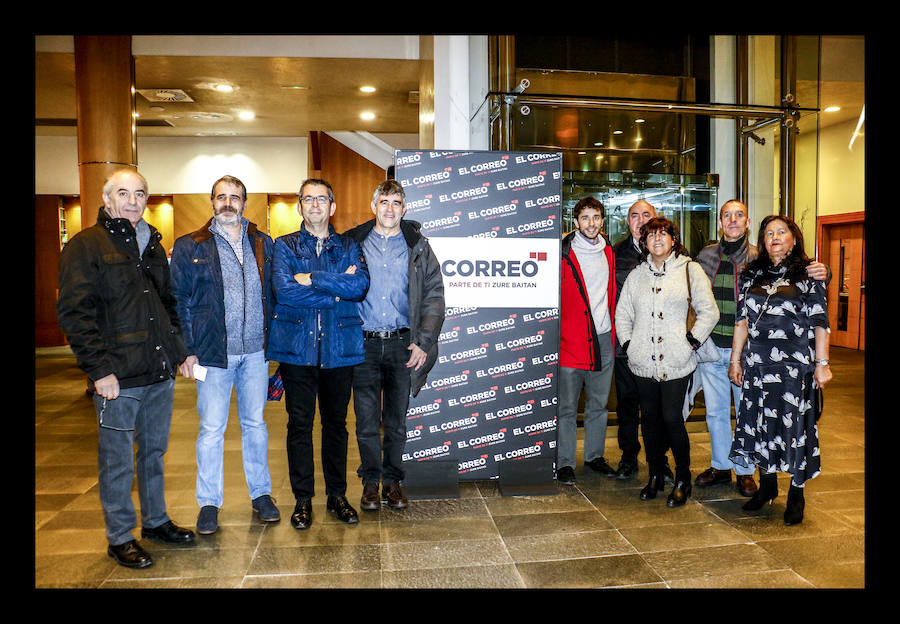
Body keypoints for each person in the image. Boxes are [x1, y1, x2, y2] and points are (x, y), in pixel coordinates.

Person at [57, 169, 195, 569]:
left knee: (153, 453)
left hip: (157, 372)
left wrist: (180, 351)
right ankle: (120, 537)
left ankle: (155, 522)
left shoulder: (151, 244)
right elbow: (74, 314)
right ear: (107, 200)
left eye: (140, 193)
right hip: (118, 378)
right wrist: (99, 371)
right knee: (116, 460)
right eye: (123, 193)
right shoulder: (87, 246)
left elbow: (167, 305)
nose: (133, 201)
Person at [694, 200, 830, 498]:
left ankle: (750, 475)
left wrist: (825, 272)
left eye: (739, 215)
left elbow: (815, 307)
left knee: (768, 419)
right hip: (720, 348)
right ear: (720, 221)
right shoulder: (710, 256)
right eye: (727, 215)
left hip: (770, 358)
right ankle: (723, 466)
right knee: (724, 415)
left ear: (747, 221)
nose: (732, 220)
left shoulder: (764, 260)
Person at [170, 175, 280, 535]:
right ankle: (208, 503)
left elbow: (275, 294)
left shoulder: (263, 243)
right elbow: (179, 302)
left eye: (235, 197)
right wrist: (186, 351)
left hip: (256, 353)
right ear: (212, 202)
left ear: (245, 202)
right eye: (222, 197)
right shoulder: (191, 245)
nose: (228, 203)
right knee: (211, 430)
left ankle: (261, 495)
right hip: (213, 356)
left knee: (256, 426)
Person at [266, 178, 370, 530]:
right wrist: (335, 289)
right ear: (299, 206)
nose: (314, 205)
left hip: (340, 350)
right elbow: (285, 292)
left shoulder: (350, 245)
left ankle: (337, 495)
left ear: (332, 206)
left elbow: (359, 287)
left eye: (321, 199)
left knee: (337, 426)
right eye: (307, 199)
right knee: (299, 426)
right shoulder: (284, 246)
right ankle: (302, 499)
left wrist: (312, 276)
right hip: (297, 351)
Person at [344, 179, 446, 510]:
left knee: (397, 423)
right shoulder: (352, 243)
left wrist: (424, 342)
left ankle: (393, 482)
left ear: (405, 209)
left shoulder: (418, 245)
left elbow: (434, 296)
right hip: (363, 346)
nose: (390, 209)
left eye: (396, 203)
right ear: (373, 206)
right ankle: (370, 484)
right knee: (366, 420)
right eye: (384, 202)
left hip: (404, 345)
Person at [728, 214, 832, 526]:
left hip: (795, 368)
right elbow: (742, 320)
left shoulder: (810, 274)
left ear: (794, 238)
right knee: (760, 425)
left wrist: (822, 364)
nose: (774, 237)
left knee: (795, 429)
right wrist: (736, 360)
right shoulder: (750, 275)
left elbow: (820, 322)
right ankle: (767, 487)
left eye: (781, 232)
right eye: (769, 233)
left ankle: (796, 494)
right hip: (758, 365)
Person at [615, 217, 719, 507]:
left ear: (674, 239)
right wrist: (629, 344)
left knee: (672, 419)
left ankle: (683, 477)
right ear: (644, 242)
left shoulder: (690, 269)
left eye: (663, 234)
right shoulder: (637, 275)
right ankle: (656, 474)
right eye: (650, 236)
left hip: (677, 360)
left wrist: (691, 342)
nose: (657, 239)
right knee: (648, 420)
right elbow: (622, 315)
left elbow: (708, 312)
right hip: (642, 363)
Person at [556, 197, 618, 485]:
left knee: (598, 404)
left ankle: (594, 456)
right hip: (570, 340)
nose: (591, 223)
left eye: (596, 217)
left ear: (602, 221)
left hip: (603, 338)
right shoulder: (563, 252)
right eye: (585, 218)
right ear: (576, 221)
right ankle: (565, 462)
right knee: (567, 407)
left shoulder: (609, 252)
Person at [611, 200, 673, 483]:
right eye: (634, 216)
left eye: (645, 215)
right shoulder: (614, 254)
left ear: (655, 219)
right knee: (627, 404)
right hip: (626, 347)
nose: (639, 220)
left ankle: (660, 460)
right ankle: (628, 457)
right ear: (627, 222)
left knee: (659, 409)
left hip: (660, 348)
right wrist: (625, 343)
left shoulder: (670, 255)